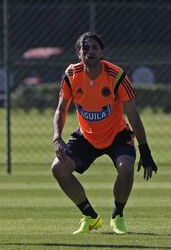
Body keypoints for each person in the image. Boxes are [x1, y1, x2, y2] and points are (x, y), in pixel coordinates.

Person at [51, 31, 157, 235]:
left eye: (94, 47)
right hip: (87, 136)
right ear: (78, 54)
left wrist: (145, 150)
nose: (89, 51)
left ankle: (117, 216)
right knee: (58, 169)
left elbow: (133, 115)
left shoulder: (117, 76)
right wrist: (57, 137)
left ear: (102, 53)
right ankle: (90, 217)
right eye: (85, 48)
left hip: (117, 134)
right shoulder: (72, 75)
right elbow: (61, 109)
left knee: (126, 168)